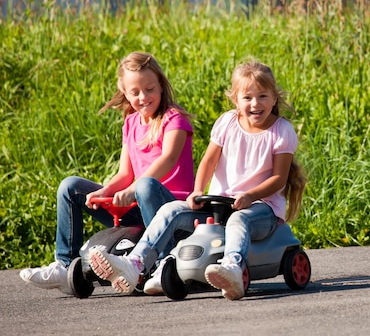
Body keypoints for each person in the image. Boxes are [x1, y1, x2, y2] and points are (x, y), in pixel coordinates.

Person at [87, 59, 306, 300]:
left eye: (263, 96)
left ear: (274, 98)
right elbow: (208, 162)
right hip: (220, 204)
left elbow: (278, 179)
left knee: (239, 221)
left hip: (260, 208)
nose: (255, 104)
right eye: (248, 98)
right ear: (235, 100)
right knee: (171, 210)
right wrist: (198, 190)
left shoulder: (281, 131)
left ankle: (232, 267)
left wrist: (250, 195)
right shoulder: (227, 123)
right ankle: (135, 264)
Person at [19, 51, 194, 295]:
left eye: (150, 88)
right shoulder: (131, 123)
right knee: (70, 187)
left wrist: (133, 189)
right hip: (137, 207)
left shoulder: (174, 119)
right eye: (135, 92)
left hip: (170, 208)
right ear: (125, 92)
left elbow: (169, 159)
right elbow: (124, 173)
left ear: (161, 86)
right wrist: (105, 192)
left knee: (145, 186)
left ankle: (161, 262)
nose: (143, 97)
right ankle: (65, 264)